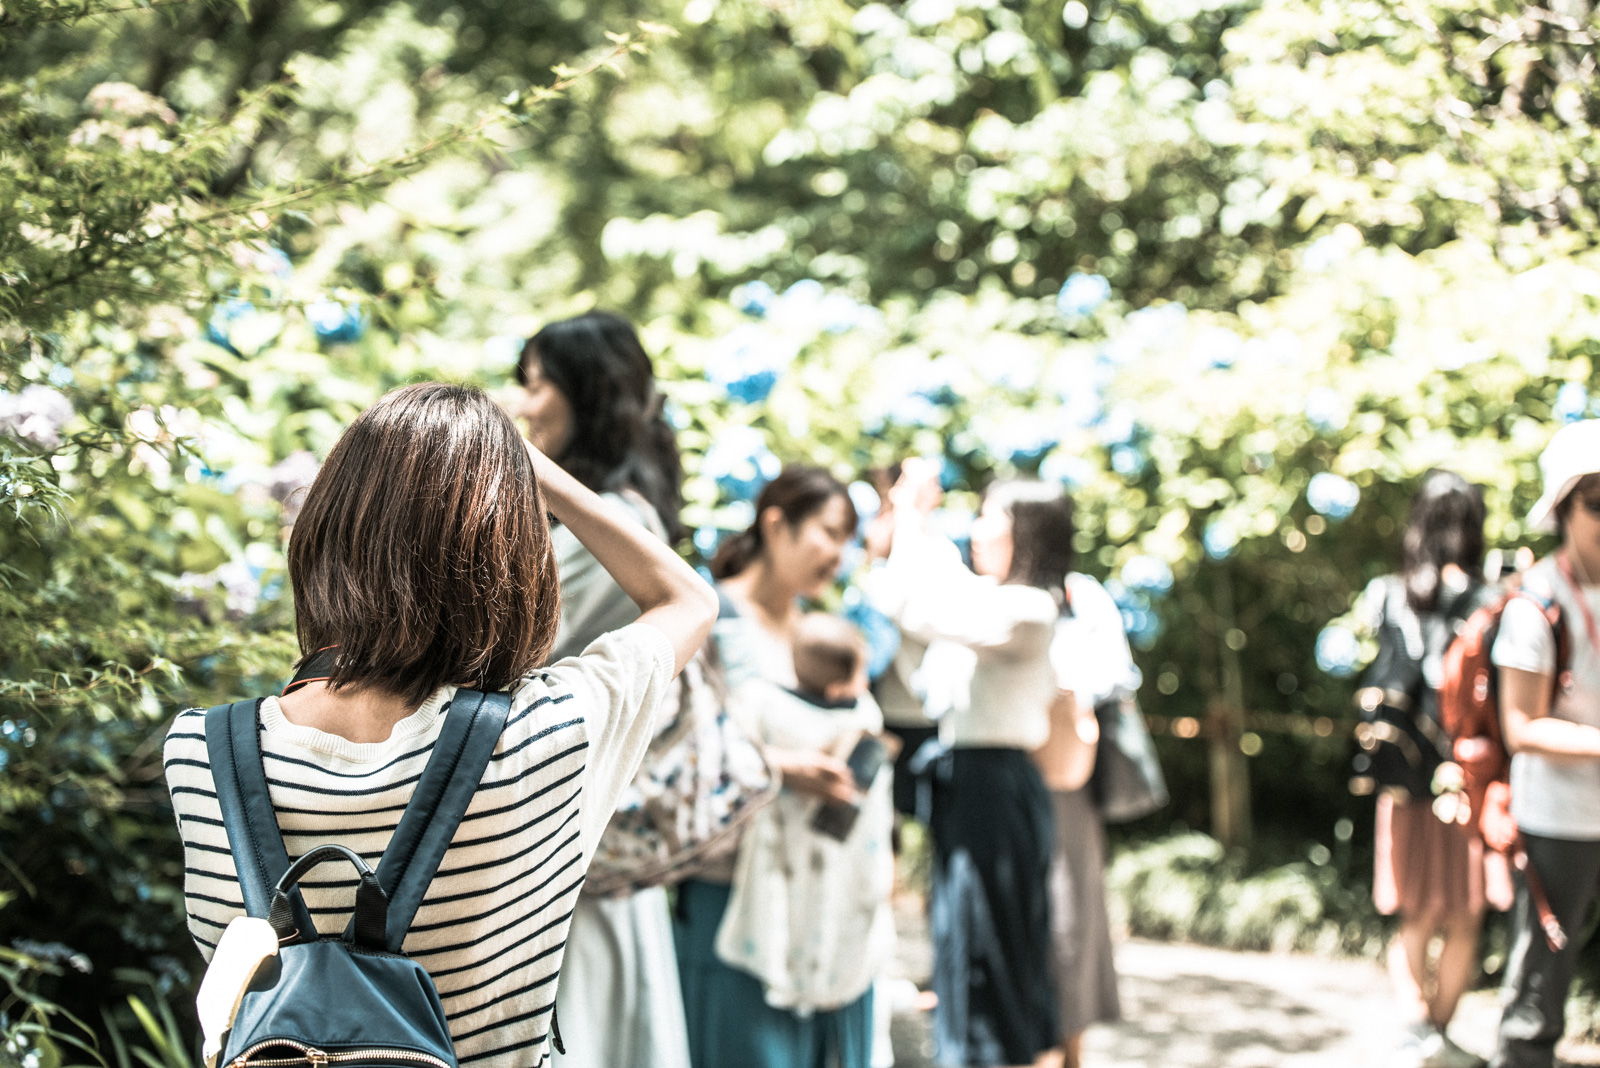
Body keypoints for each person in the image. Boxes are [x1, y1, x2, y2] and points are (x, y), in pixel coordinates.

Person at [164, 383, 718, 1068]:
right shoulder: (545, 738)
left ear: (325, 530)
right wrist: (530, 468)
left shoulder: (199, 752)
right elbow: (684, 598)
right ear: (511, 556)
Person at [514, 311, 693, 1068]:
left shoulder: (607, 527)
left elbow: (507, 655)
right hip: (591, 843)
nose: (523, 405)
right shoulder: (619, 519)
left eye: (536, 383)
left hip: (573, 850)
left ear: (584, 395)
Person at [674, 465, 883, 1068]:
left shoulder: (825, 631)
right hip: (732, 893)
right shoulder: (710, 619)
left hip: (827, 898)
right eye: (829, 532)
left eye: (848, 539)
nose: (839, 554)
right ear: (775, 523)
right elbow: (675, 748)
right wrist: (783, 767)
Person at [866, 460, 1061, 1068]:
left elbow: (916, 606)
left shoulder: (1029, 610)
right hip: (974, 786)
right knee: (963, 938)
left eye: (988, 519)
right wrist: (910, 514)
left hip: (995, 790)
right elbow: (936, 577)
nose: (976, 532)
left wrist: (905, 519)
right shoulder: (998, 599)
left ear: (1026, 532)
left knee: (988, 945)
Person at [1354, 470, 1495, 1068]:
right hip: (1466, 778)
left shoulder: (1388, 592)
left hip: (1404, 778)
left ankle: (1416, 1034)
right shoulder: (1491, 597)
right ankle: (1436, 1037)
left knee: (1414, 912)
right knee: (1465, 914)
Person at [714, 612, 896, 1029]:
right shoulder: (861, 717)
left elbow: (736, 744)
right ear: (838, 685)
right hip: (834, 849)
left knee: (780, 913)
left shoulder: (762, 701)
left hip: (780, 851)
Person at [1491, 420, 1600, 1068]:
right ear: (1561, 508)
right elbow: (1520, 727)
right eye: (1596, 500)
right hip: (1558, 822)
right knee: (1538, 998)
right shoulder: (1536, 606)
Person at [1032, 498, 1129, 1068]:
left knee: (1068, 912)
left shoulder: (1079, 595)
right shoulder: (987, 595)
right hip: (1005, 775)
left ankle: (1070, 1052)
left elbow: (1111, 675)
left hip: (1064, 774)